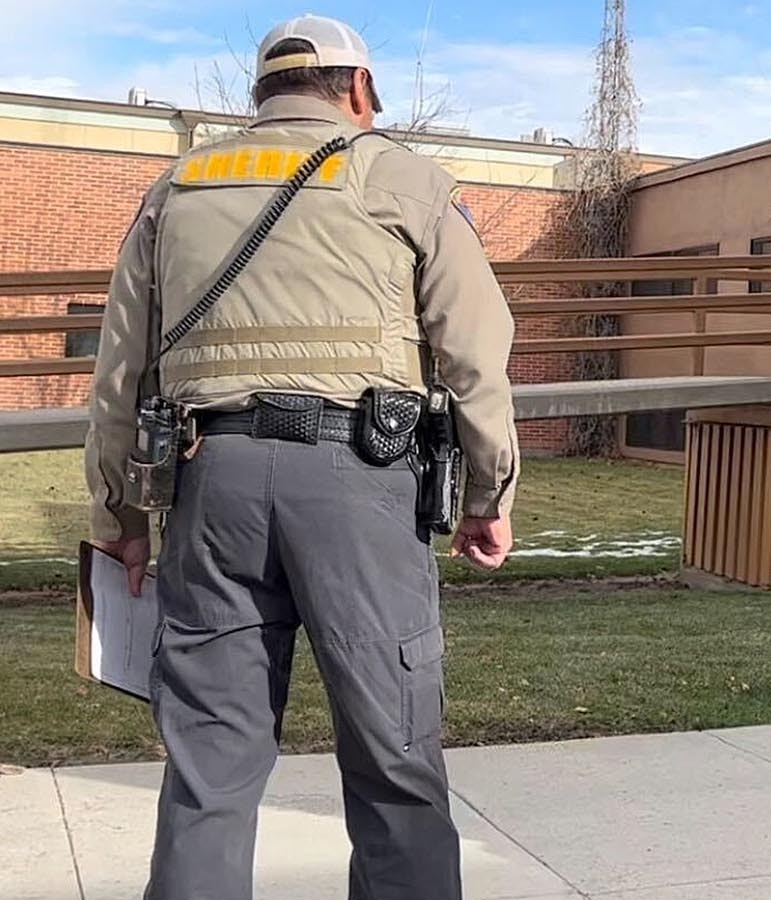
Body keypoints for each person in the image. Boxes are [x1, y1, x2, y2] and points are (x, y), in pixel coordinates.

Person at [83, 14, 520, 900]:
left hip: (210, 483)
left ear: (260, 98)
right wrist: (488, 492)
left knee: (208, 769)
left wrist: (119, 519)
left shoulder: (178, 187)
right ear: (358, 91)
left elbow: (118, 372)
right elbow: (476, 354)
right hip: (359, 480)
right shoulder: (403, 179)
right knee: (395, 762)